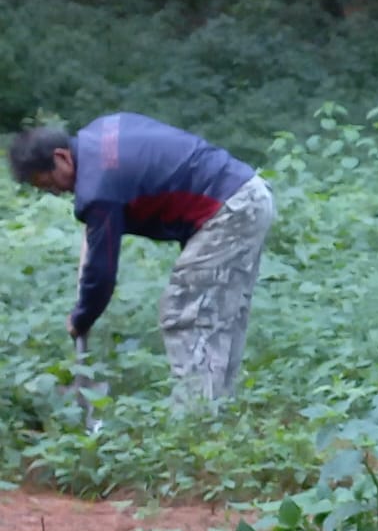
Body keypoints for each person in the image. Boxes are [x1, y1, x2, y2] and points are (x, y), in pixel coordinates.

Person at [8, 113, 276, 404]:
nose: (56, 191)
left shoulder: (98, 190)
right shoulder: (101, 131)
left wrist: (81, 317)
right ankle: (220, 408)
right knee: (221, 314)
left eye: (48, 183)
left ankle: (196, 424)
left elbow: (102, 273)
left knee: (187, 314)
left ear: (61, 157)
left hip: (228, 210)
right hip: (247, 193)